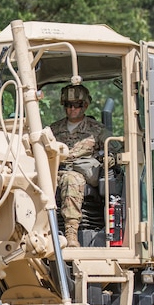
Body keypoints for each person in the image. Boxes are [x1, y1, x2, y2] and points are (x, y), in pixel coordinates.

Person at [49, 84, 110, 247]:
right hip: (55, 171)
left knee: (71, 179)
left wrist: (108, 160)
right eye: (68, 105)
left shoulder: (96, 129)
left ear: (85, 105)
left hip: (81, 175)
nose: (72, 109)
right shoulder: (54, 130)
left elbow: (115, 149)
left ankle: (71, 233)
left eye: (77, 105)